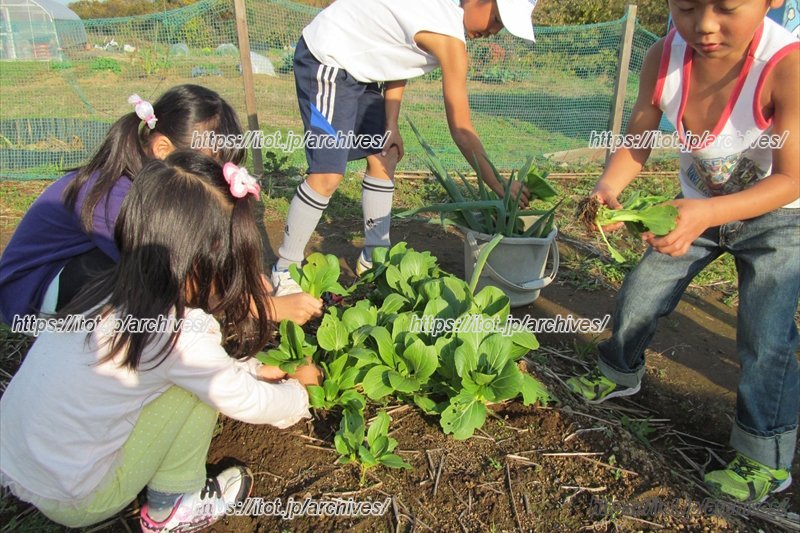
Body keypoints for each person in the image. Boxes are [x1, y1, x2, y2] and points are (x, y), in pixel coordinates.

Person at [0, 151, 324, 532]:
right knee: (195, 392)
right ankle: (173, 507)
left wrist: (252, 368)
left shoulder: (107, 286)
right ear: (204, 261)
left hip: (17, 460)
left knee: (188, 377)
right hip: (76, 498)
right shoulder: (178, 334)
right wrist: (298, 393)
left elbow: (186, 363)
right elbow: (245, 400)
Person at [566, 0, 799, 504]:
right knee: (642, 291)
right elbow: (638, 140)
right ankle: (619, 373)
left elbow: (791, 178)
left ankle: (766, 457)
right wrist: (608, 188)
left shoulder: (786, 66)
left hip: (778, 217)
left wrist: (705, 213)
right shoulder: (663, 57)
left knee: (766, 333)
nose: (705, 25)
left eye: (727, 6)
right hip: (694, 208)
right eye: (687, 6)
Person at [271, 0, 539, 296]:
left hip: (360, 67)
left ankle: (375, 258)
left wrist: (391, 123)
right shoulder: (449, 38)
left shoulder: (441, 13)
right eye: (497, 19)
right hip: (329, 56)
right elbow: (461, 130)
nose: (494, 31)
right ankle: (285, 269)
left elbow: (398, 54)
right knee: (327, 175)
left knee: (384, 156)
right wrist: (500, 184)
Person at [0, 84, 322, 327]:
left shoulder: (153, 184)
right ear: (163, 149)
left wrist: (244, 280)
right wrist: (260, 307)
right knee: (153, 281)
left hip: (72, 282)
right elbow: (170, 274)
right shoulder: (115, 195)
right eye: (209, 167)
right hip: (33, 298)